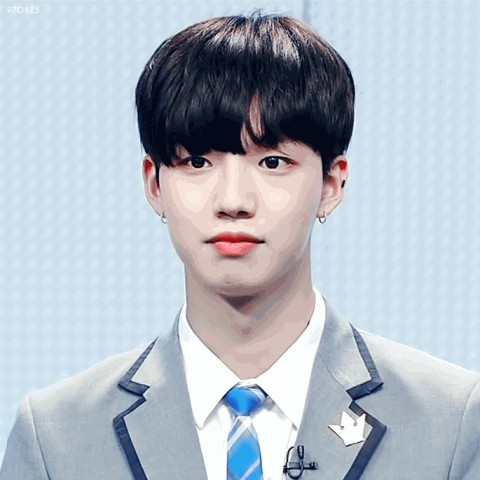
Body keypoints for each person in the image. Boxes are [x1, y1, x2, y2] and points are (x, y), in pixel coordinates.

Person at [1, 12, 480, 480]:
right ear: (154, 184)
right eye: (196, 162)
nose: (233, 201)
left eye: (272, 162)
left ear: (331, 184)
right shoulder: (57, 438)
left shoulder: (451, 423)